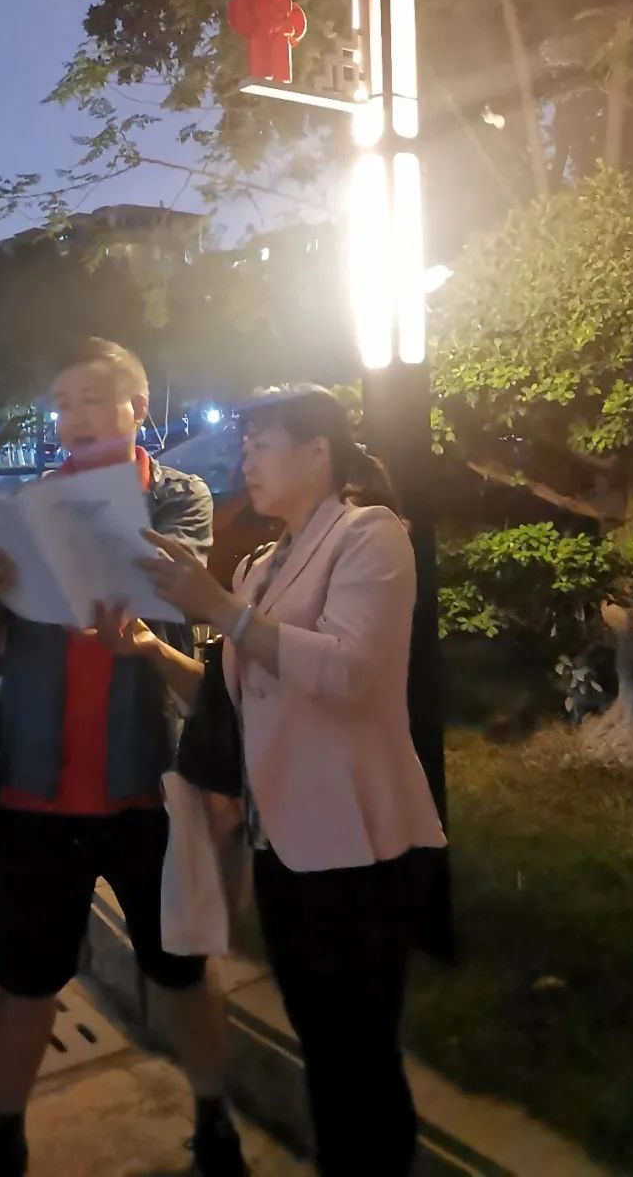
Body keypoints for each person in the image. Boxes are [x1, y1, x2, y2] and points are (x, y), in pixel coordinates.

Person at [113, 385, 446, 1177]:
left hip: (359, 847)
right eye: (246, 444)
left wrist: (221, 608)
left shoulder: (370, 535)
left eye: (262, 443)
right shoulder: (262, 565)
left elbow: (350, 671)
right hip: (285, 849)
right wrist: (154, 651)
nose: (246, 459)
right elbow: (237, 702)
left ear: (317, 451)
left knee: (362, 1054)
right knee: (323, 1051)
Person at [0, 338, 247, 1177]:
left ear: (136, 408)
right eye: (61, 402)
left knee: (181, 966)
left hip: (147, 781)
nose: (72, 417)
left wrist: (70, 554)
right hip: (38, 785)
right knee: (24, 975)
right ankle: (6, 1130)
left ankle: (215, 1119)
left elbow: (170, 580)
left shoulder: (179, 495)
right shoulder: (25, 503)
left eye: (90, 398)